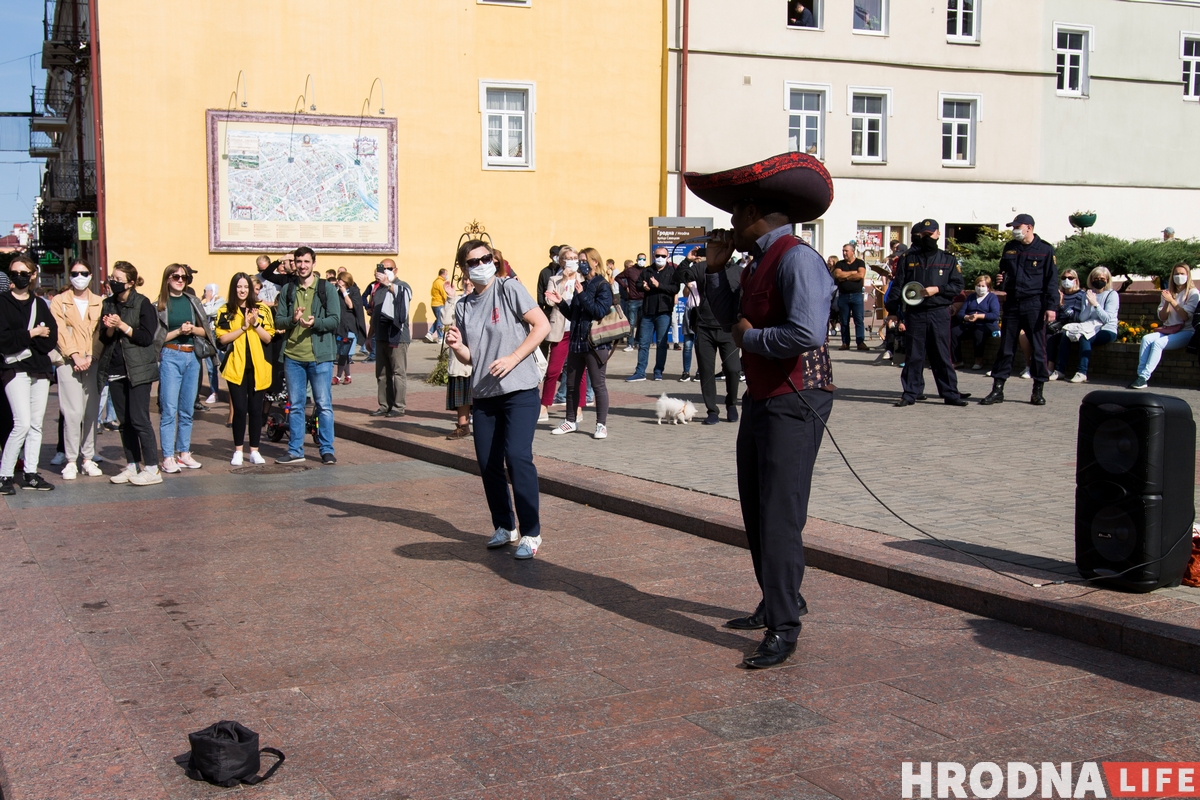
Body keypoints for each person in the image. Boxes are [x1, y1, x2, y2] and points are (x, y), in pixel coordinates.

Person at [688, 151, 835, 669]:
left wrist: (756, 337)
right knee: (756, 505)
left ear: (753, 212)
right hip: (763, 398)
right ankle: (779, 597)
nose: (729, 226)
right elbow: (732, 318)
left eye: (734, 216)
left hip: (796, 400)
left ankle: (784, 626)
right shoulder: (754, 262)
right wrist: (715, 271)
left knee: (779, 513)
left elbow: (806, 333)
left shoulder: (798, 257)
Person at [445, 239, 551, 559]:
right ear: (464, 268)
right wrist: (456, 346)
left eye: (485, 259)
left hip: (519, 390)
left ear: (493, 260)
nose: (480, 265)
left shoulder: (509, 289)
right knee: (489, 464)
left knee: (517, 457)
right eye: (472, 262)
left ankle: (531, 533)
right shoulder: (463, 306)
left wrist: (513, 357)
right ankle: (505, 525)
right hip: (485, 394)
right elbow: (470, 357)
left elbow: (541, 325)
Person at [884, 220, 968, 407]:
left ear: (938, 234)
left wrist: (937, 289)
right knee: (914, 355)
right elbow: (898, 286)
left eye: (930, 235)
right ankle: (910, 393)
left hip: (939, 311)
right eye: (923, 235)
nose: (927, 238)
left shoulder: (948, 259)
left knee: (941, 355)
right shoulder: (909, 259)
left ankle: (950, 393)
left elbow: (957, 286)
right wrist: (893, 311)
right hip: (916, 313)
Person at [980, 214, 1057, 406]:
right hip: (1013, 303)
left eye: (1017, 226)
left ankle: (1037, 390)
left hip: (1035, 304)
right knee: (1006, 347)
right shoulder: (1010, 248)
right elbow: (1003, 271)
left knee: (1038, 348)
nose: (1014, 229)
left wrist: (1051, 307)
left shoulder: (1045, 250)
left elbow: (1051, 281)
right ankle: (998, 389)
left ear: (1029, 227)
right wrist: (1001, 280)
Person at [99, 262, 164, 486]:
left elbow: (147, 337)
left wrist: (122, 325)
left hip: (138, 369)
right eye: (111, 278)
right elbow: (104, 338)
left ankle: (153, 468)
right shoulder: (108, 303)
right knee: (124, 422)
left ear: (130, 282)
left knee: (139, 419)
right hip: (116, 368)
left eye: (118, 279)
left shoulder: (142, 303)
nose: (113, 282)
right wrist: (109, 326)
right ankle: (132, 464)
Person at [274, 246, 341, 465]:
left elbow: (334, 320)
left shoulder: (326, 289)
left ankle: (327, 449)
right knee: (295, 405)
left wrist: (316, 323)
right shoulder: (288, 290)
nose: (302, 266)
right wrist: (293, 320)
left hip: (320, 356)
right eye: (298, 261)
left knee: (323, 404)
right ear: (294, 263)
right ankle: (295, 450)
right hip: (293, 356)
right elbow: (278, 321)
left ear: (313, 263)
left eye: (306, 261)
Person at [0, 254, 58, 493]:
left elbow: (50, 339)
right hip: (15, 369)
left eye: (24, 273)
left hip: (41, 370)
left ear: (33, 275)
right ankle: (4, 475)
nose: (19, 277)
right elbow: (4, 341)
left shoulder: (40, 304)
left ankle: (30, 474)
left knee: (36, 424)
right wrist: (32, 334)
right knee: (21, 423)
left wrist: (24, 337)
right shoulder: (3, 302)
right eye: (14, 273)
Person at [156, 264, 217, 473]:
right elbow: (157, 339)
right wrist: (178, 331)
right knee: (169, 409)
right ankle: (167, 456)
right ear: (167, 279)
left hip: (192, 356)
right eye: (176, 276)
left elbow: (206, 331)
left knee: (187, 409)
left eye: (184, 277)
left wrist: (192, 329)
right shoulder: (160, 305)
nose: (180, 280)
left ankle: (183, 452)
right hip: (171, 355)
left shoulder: (192, 301)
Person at [549, 247, 613, 439]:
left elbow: (600, 311)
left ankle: (601, 425)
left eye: (584, 260)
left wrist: (582, 294)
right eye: (580, 261)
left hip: (596, 343)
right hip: (577, 341)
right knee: (571, 384)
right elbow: (574, 315)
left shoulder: (603, 285)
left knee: (598, 384)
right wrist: (561, 303)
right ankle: (570, 421)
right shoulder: (581, 283)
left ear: (595, 262)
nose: (580, 264)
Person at [49, 258, 105, 480]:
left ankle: (88, 458)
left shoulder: (99, 302)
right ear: (69, 276)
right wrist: (74, 355)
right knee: (72, 412)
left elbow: (100, 333)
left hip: (93, 360)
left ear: (90, 275)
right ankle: (71, 459)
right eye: (75, 273)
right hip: (68, 361)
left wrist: (91, 355)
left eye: (83, 273)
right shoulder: (59, 301)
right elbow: (60, 331)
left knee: (91, 411)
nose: (79, 277)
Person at [214, 273, 274, 465]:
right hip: (235, 367)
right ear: (234, 288)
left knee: (256, 410)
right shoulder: (225, 310)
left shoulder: (262, 309)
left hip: (258, 367)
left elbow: (268, 338)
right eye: (239, 287)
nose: (242, 290)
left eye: (246, 287)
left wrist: (255, 323)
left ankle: (254, 450)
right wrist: (242, 327)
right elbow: (222, 339)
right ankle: (238, 450)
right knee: (239, 409)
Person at [680, 247, 742, 424]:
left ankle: (731, 403)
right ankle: (712, 410)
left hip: (729, 329)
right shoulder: (703, 268)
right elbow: (680, 277)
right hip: (704, 326)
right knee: (706, 371)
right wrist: (688, 260)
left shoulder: (739, 271)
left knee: (732, 368)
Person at [1130, 264, 1199, 389]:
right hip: (1169, 329)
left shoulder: (1193, 293)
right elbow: (1163, 317)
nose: (1179, 276)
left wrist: (1172, 301)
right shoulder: (1168, 293)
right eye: (1176, 274)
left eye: (1182, 274)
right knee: (1146, 339)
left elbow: (1185, 316)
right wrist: (1167, 302)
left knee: (1158, 343)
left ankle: (1144, 376)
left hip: (1186, 332)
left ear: (1188, 276)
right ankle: (1140, 376)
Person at [539, 248, 586, 422]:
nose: (572, 261)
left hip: (578, 330)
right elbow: (550, 301)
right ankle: (544, 407)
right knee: (553, 370)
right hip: (561, 330)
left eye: (575, 258)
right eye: (568, 258)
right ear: (562, 261)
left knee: (580, 371)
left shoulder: (583, 279)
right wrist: (564, 281)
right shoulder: (554, 279)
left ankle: (578, 408)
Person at [1056, 266, 1119, 384]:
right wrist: (1089, 305)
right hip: (1089, 326)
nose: (1098, 280)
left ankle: (1082, 372)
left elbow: (1107, 319)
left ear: (1107, 280)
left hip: (1106, 330)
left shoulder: (1112, 295)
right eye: (1096, 278)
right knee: (1066, 333)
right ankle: (1060, 370)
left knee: (1085, 337)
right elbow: (1082, 318)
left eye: (1102, 278)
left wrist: (1096, 304)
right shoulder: (1087, 294)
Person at [627, 246, 679, 381]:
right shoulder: (647, 270)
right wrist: (643, 287)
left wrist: (658, 285)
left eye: (663, 256)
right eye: (657, 256)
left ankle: (658, 371)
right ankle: (640, 372)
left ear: (667, 257)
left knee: (662, 343)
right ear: (653, 256)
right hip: (648, 312)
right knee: (643, 343)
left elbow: (675, 288)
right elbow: (638, 283)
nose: (660, 258)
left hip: (664, 312)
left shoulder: (672, 271)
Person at [369, 258, 411, 417]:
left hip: (397, 337)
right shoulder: (377, 289)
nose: (385, 270)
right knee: (381, 373)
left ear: (395, 270)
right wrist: (368, 337)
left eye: (389, 268)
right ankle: (384, 405)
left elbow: (404, 296)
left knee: (398, 373)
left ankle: (399, 407)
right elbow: (374, 315)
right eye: (382, 268)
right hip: (380, 336)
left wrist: (388, 283)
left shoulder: (402, 286)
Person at [444, 276, 474, 439]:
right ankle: (463, 426)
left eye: (470, 280)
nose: (467, 283)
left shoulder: (483, 298)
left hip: (480, 352)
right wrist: (450, 298)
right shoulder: (458, 300)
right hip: (460, 356)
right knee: (462, 390)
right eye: (465, 280)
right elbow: (446, 320)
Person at [953, 274, 1001, 371]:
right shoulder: (971, 297)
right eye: (978, 285)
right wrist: (967, 317)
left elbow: (994, 315)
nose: (980, 288)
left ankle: (978, 360)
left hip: (986, 325)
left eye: (983, 286)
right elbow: (961, 313)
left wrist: (979, 316)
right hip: (970, 323)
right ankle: (957, 360)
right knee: (954, 332)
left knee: (978, 332)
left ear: (988, 287)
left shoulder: (992, 298)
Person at [1046, 269, 1087, 379]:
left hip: (1073, 326)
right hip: (1058, 325)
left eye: (1070, 278)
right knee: (1042, 334)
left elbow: (1077, 317)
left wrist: (1062, 305)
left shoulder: (1081, 295)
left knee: (1053, 338)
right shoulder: (1058, 294)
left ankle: (1052, 369)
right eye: (1064, 278)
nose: (1066, 280)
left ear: (1076, 280)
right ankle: (1035, 366)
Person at [832, 242, 868, 351]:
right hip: (843, 296)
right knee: (844, 320)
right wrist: (853, 274)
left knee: (859, 320)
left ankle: (860, 342)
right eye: (843, 251)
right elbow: (838, 275)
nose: (844, 253)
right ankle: (845, 343)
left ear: (853, 252)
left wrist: (845, 276)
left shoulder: (860, 262)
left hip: (856, 295)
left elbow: (861, 275)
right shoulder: (839, 264)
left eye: (846, 251)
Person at [334, 271, 367, 385]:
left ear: (346, 281)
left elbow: (351, 305)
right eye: (338, 279)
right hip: (340, 326)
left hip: (350, 326)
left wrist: (344, 292)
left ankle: (338, 376)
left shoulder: (354, 291)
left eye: (341, 279)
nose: (339, 281)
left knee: (345, 352)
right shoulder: (336, 291)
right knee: (343, 352)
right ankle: (347, 376)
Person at [200, 283, 225, 404]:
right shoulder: (206, 303)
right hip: (208, 335)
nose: (206, 294)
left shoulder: (221, 302)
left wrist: (208, 300)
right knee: (210, 366)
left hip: (218, 336)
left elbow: (209, 312)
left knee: (224, 363)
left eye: (207, 291)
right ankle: (214, 392)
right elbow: (201, 313)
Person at [616, 258, 644, 351]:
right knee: (631, 323)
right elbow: (617, 278)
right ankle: (630, 343)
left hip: (643, 299)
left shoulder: (643, 270)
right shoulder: (628, 273)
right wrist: (626, 287)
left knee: (641, 322)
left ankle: (638, 342)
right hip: (631, 300)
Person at [425, 269, 449, 343]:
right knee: (440, 321)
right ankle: (440, 338)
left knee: (439, 319)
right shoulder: (440, 282)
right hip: (439, 304)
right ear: (443, 274)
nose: (447, 276)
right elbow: (444, 294)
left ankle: (430, 333)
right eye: (446, 274)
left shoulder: (436, 281)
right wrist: (448, 302)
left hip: (435, 304)